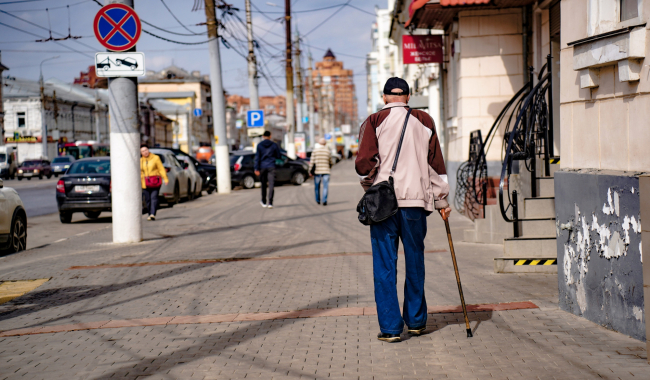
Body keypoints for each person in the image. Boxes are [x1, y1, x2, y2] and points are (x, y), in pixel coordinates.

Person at [355, 77, 452, 343]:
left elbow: (364, 163)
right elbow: (435, 166)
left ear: (385, 97)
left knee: (385, 266)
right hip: (416, 205)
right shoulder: (425, 120)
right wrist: (442, 201)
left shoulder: (374, 121)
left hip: (384, 204)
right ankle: (417, 322)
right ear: (408, 96)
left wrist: (370, 181)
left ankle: (390, 329)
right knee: (415, 262)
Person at [254, 131, 281, 209]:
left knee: (263, 184)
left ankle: (263, 201)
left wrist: (256, 168)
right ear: (270, 136)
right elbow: (278, 155)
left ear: (263, 136)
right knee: (271, 184)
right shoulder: (274, 145)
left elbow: (257, 158)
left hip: (262, 167)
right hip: (271, 166)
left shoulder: (259, 145)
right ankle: (270, 202)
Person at [140, 145, 168, 221]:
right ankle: (149, 213)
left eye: (146, 150)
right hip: (145, 182)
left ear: (148, 150)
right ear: (140, 153)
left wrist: (165, 178)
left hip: (155, 181)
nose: (145, 152)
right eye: (142, 151)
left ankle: (152, 214)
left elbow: (161, 169)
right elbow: (140, 171)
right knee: (147, 199)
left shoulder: (155, 158)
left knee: (154, 198)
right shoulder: (140, 160)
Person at [309, 138, 332, 205]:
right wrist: (329, 167)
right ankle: (324, 200)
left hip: (317, 171)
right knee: (325, 186)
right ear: (325, 144)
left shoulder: (315, 151)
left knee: (317, 186)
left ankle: (318, 200)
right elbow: (331, 162)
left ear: (319, 143)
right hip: (326, 171)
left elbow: (312, 162)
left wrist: (310, 171)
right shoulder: (327, 151)